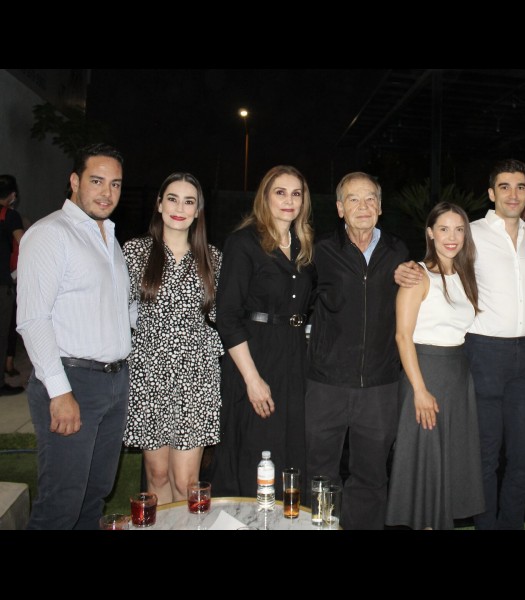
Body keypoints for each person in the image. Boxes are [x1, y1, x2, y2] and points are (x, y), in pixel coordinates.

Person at [396, 158, 525, 530]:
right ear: (492, 193)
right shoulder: (471, 233)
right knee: (485, 455)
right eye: (505, 187)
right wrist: (401, 269)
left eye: (521, 187)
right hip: (483, 353)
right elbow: (435, 261)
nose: (513, 194)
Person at [17, 143, 131, 529]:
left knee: (94, 495)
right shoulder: (50, 234)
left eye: (115, 184)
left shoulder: (108, 238)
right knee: (61, 504)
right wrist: (60, 392)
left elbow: (119, 310)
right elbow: (33, 320)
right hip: (73, 382)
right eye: (96, 181)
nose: (107, 192)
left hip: (114, 384)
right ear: (74, 181)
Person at [306, 171, 410, 530]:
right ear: (340, 208)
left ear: (380, 207)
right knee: (320, 474)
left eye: (370, 199)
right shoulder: (319, 251)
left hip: (380, 385)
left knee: (372, 476)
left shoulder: (398, 252)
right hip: (326, 384)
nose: (363, 206)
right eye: (353, 199)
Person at [206, 165, 314, 499]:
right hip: (254, 357)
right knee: (254, 450)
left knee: (290, 449)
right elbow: (227, 316)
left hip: (293, 359)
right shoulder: (244, 242)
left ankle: (286, 517)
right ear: (265, 197)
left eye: (296, 194)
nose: (289, 200)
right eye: (280, 193)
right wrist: (252, 380)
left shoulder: (305, 246)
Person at [122, 172, 224, 504]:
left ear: (198, 211)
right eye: (172, 199)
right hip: (149, 373)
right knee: (158, 475)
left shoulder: (213, 258)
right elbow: (118, 310)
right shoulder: (135, 252)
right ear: (159, 204)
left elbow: (224, 315)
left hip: (196, 376)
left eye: (189, 201)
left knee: (186, 480)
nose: (180, 208)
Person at [385, 202, 484, 530]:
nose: (452, 237)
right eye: (443, 229)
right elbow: (402, 336)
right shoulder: (417, 275)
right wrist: (420, 390)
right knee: (425, 465)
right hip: (425, 376)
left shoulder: (465, 276)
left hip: (457, 379)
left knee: (448, 466)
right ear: (430, 233)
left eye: (459, 229)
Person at [0, 175, 25, 396]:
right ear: (13, 195)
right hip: (2, 282)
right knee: (3, 332)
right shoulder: (9, 216)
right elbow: (24, 243)